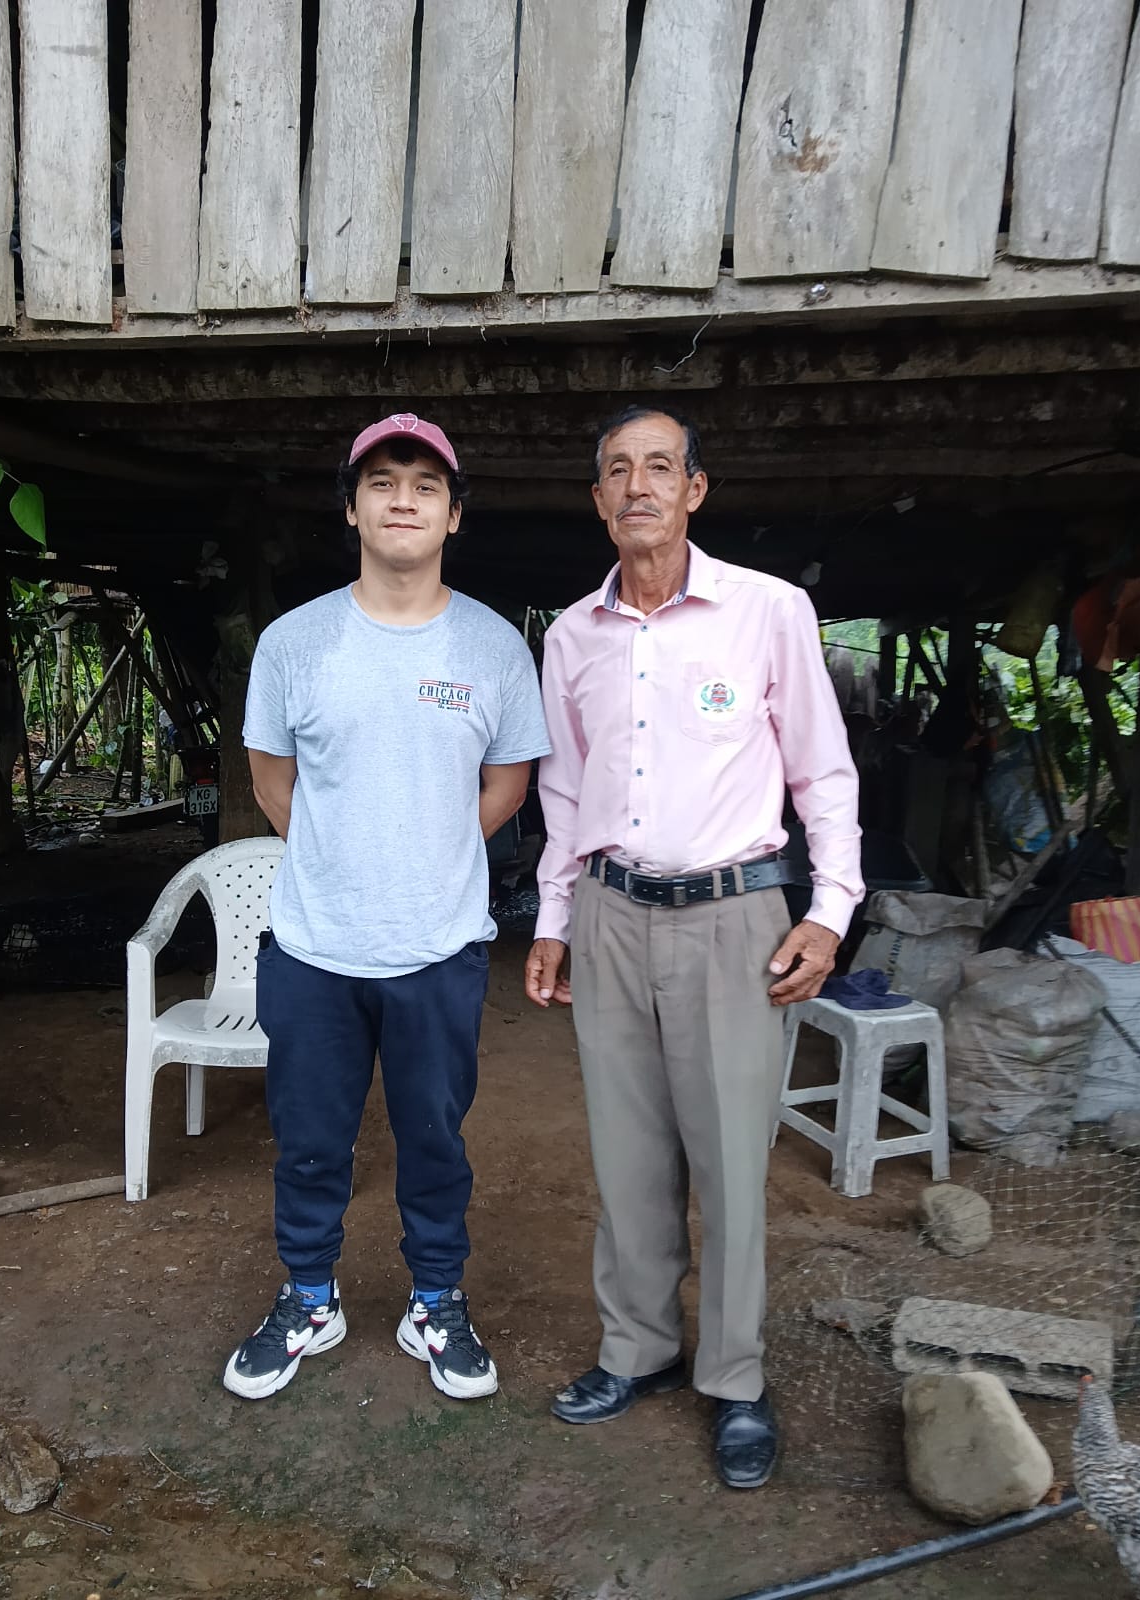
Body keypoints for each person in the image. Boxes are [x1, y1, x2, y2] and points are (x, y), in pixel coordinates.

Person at [525, 405, 862, 1488]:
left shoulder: (767, 610)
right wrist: (553, 917)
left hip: (734, 916)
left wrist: (830, 907)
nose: (639, 486)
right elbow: (562, 789)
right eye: (619, 470)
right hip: (611, 911)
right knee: (628, 1154)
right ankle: (639, 1349)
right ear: (597, 500)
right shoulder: (572, 636)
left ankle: (734, 1377)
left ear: (694, 490)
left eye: (660, 467)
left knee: (728, 1160)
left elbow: (822, 771)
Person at [227, 413, 550, 1404]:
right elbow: (271, 780)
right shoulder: (295, 642)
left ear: (453, 514)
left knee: (435, 1142)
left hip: (438, 947)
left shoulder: (493, 647)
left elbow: (508, 785)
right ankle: (309, 1297)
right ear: (352, 508)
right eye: (381, 482)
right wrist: (345, 857)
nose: (401, 499)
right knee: (310, 1142)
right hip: (314, 949)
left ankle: (435, 1301)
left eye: (423, 484)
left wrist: (424, 854)